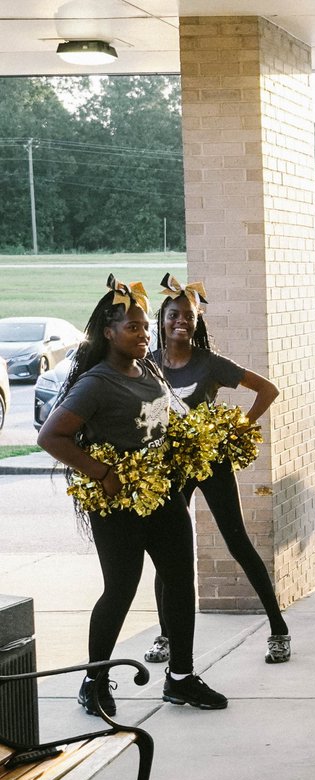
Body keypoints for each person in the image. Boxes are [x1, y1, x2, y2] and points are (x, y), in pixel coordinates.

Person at [37, 276, 228, 715]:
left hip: (163, 498)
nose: (144, 335)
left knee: (181, 583)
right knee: (120, 589)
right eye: (133, 329)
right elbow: (53, 436)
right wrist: (102, 473)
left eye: (146, 328)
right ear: (108, 333)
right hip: (119, 505)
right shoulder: (97, 383)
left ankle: (180, 677)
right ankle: (94, 680)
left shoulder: (149, 369)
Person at [146, 276, 289, 665]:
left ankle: (278, 629)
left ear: (197, 321)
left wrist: (240, 426)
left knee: (237, 541)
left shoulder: (210, 363)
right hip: (172, 467)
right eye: (173, 315)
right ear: (162, 320)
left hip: (211, 461)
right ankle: (166, 634)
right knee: (167, 550)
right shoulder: (149, 364)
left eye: (188, 316)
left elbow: (267, 389)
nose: (181, 322)